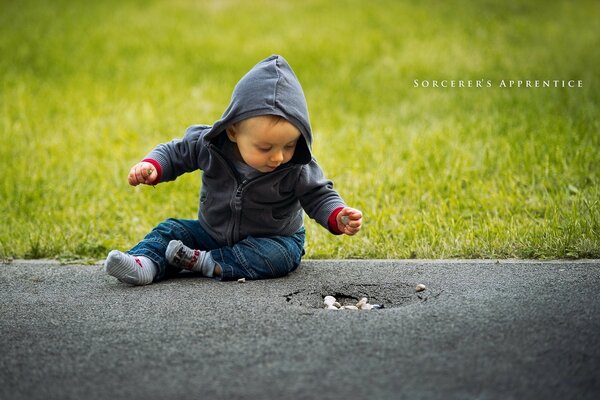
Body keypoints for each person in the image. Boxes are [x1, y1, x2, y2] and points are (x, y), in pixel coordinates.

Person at [105, 55, 363, 285]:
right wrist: (152, 166)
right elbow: (175, 152)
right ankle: (144, 263)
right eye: (264, 147)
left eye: (290, 144)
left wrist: (337, 215)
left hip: (274, 239)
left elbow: (319, 195)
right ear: (232, 131)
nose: (278, 156)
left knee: (279, 257)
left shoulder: (296, 166)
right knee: (171, 230)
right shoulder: (208, 145)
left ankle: (206, 262)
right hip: (211, 232)